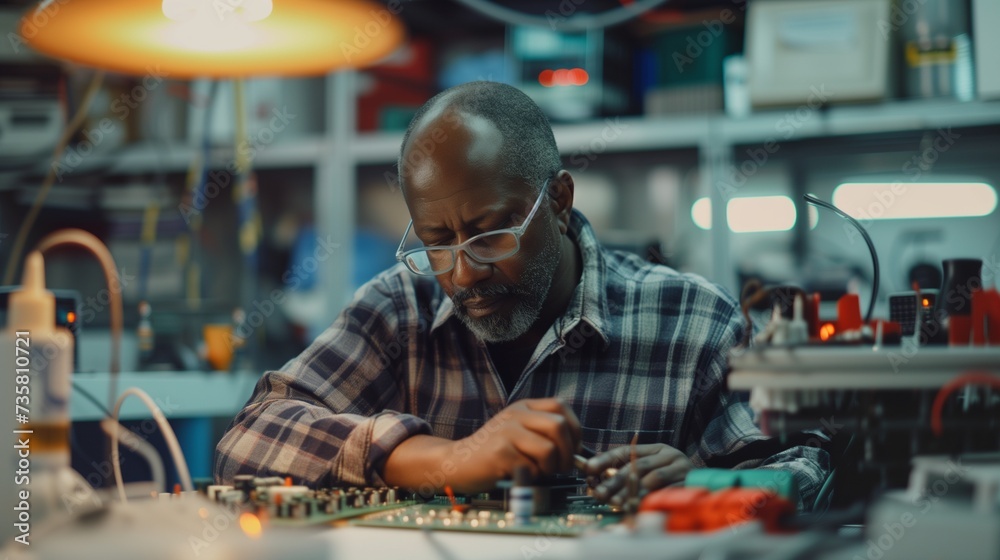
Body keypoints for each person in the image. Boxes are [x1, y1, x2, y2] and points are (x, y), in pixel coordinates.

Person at [215, 81, 829, 510]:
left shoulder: (693, 322)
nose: (463, 274)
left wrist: (705, 482)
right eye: (437, 242)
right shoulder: (401, 307)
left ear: (559, 201)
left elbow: (812, 470)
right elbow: (249, 436)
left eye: (491, 234)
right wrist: (444, 460)